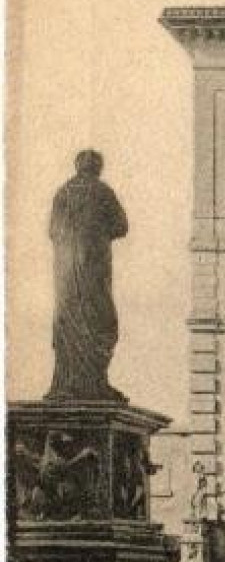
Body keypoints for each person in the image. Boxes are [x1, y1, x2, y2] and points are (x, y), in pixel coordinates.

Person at [47, 149, 128, 402]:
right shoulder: (102, 192)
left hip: (67, 275)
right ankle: (94, 383)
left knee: (69, 322)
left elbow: (52, 230)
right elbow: (121, 226)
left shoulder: (62, 193)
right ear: (97, 168)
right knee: (101, 321)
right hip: (93, 269)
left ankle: (67, 384)